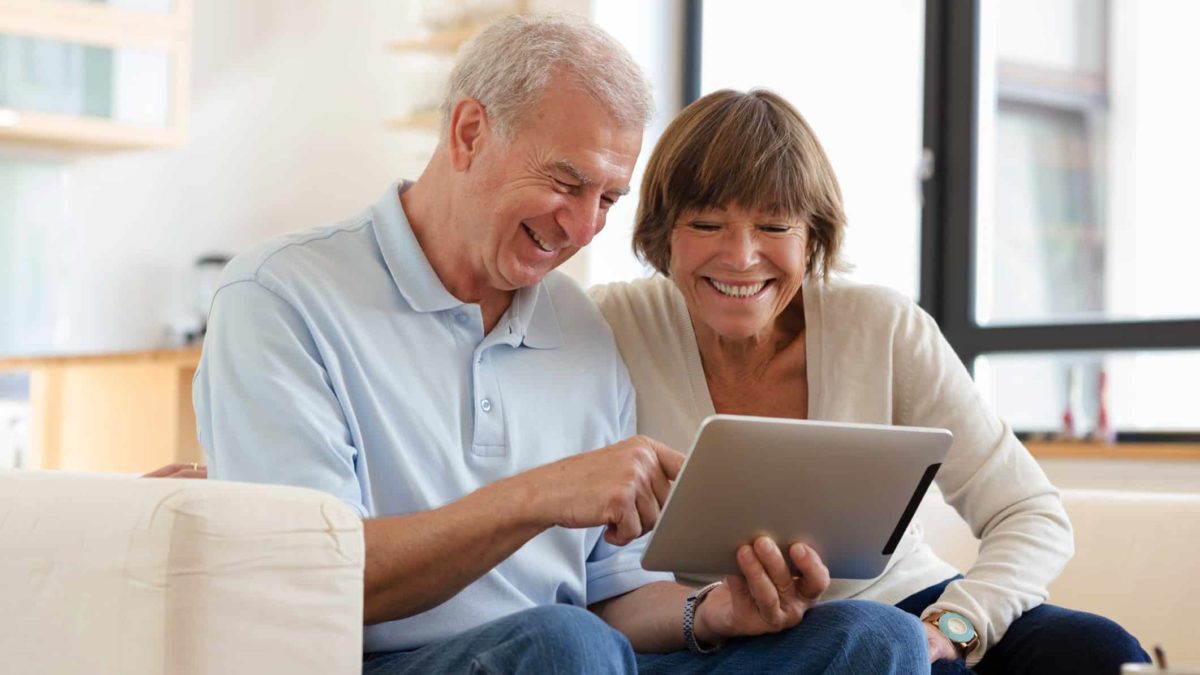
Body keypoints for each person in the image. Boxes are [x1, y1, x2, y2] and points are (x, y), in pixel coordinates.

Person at [189, 16, 928, 675]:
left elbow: (615, 597)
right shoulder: (281, 297)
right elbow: (309, 577)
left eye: (607, 199)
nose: (582, 229)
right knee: (564, 644)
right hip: (399, 659)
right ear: (469, 132)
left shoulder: (578, 325)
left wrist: (716, 611)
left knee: (874, 636)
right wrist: (536, 497)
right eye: (566, 183)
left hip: (592, 656)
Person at [589, 88, 1151, 674]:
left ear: (813, 236)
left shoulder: (881, 325)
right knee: (872, 640)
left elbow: (1029, 511)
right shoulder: (608, 328)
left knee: (1098, 651)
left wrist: (956, 625)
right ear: (662, 232)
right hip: (716, 632)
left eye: (775, 226)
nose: (740, 257)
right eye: (706, 224)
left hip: (905, 605)